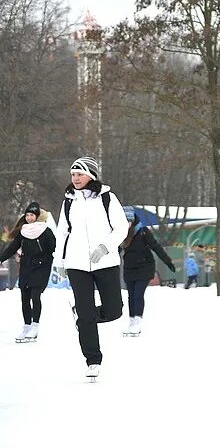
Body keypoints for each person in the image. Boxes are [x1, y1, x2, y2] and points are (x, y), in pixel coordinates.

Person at [56, 157, 128, 379]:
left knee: (114, 310)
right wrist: (60, 261)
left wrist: (105, 247)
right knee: (87, 314)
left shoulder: (107, 198)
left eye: (79, 174)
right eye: (73, 174)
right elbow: (63, 232)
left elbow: (121, 227)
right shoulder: (69, 200)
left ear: (91, 176)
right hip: (77, 264)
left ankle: (83, 315)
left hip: (105, 262)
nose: (75, 178)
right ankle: (93, 360)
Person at [0, 203, 55, 343]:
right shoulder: (23, 231)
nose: (29, 218)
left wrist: (45, 261)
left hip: (41, 268)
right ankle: (27, 325)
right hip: (26, 267)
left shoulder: (46, 231)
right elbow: (12, 248)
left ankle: (35, 325)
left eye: (32, 215)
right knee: (24, 298)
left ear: (37, 217)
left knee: (35, 296)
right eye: (27, 215)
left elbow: (53, 248)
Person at [120, 206, 176, 335]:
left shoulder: (143, 231)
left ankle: (137, 321)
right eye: (124, 221)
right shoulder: (120, 233)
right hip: (129, 268)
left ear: (133, 220)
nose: (127, 223)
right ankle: (132, 320)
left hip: (145, 267)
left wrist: (168, 261)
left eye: (129, 220)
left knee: (138, 294)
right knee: (131, 296)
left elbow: (155, 246)